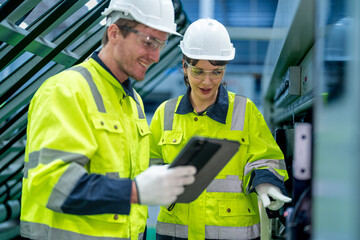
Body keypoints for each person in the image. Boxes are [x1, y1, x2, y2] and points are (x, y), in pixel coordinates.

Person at [20, 0, 197, 239]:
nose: (155, 56)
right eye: (149, 42)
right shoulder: (67, 90)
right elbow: (50, 186)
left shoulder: (133, 102)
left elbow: (119, 172)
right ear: (114, 32)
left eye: (161, 44)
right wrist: (135, 191)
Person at [149, 18, 292, 240]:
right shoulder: (165, 114)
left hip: (234, 234)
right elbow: (148, 166)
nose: (207, 81)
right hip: (176, 233)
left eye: (217, 72)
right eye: (198, 71)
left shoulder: (246, 111)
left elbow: (267, 158)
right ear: (185, 66)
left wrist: (266, 183)